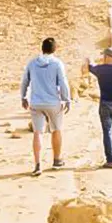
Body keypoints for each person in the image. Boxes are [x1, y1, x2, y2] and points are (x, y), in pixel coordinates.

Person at [21, 37, 71, 177]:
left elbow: (25, 81)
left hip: (36, 102)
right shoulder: (57, 63)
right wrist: (67, 99)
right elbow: (63, 83)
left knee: (38, 132)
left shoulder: (32, 63)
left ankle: (37, 165)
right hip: (53, 102)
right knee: (56, 130)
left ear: (42, 48)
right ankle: (57, 160)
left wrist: (23, 97)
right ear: (54, 49)